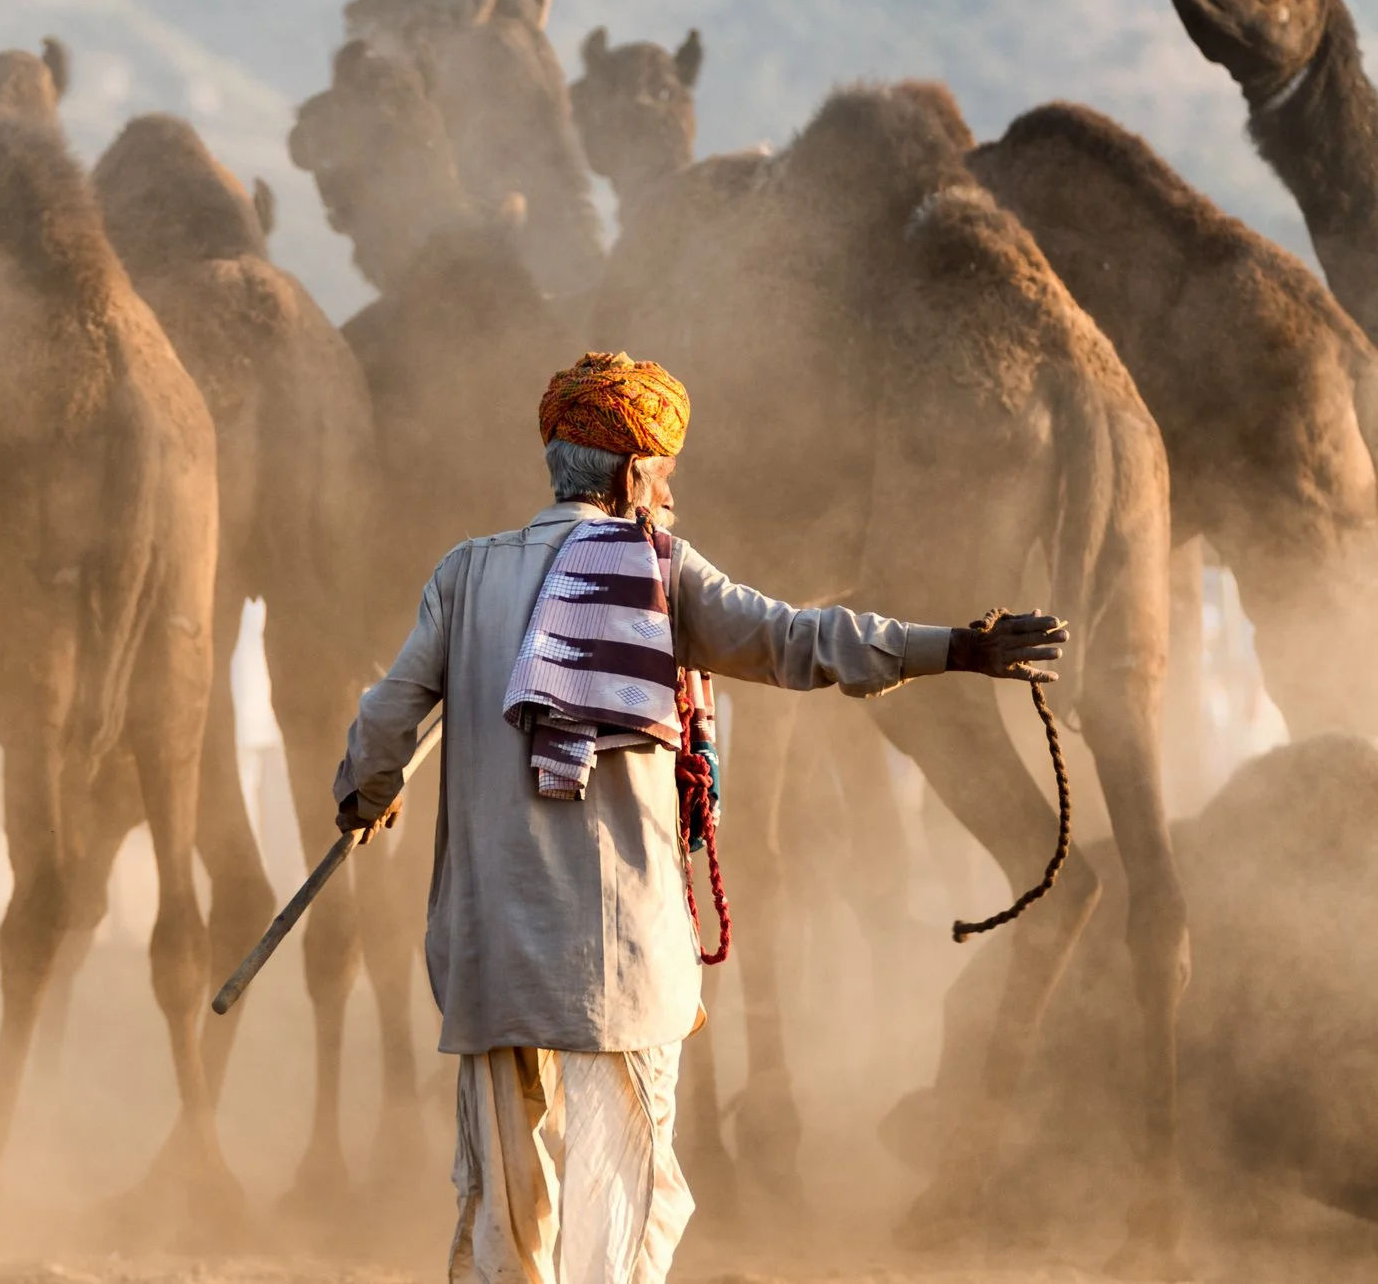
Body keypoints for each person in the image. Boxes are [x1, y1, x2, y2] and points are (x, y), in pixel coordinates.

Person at [332, 351, 1066, 1284]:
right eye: (665, 475)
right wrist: (956, 646)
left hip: (492, 954)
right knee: (629, 1202)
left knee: (505, 1212)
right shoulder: (658, 573)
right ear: (636, 472)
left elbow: (389, 714)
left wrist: (367, 792)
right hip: (624, 955)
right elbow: (800, 639)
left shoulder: (464, 574)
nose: (669, 496)